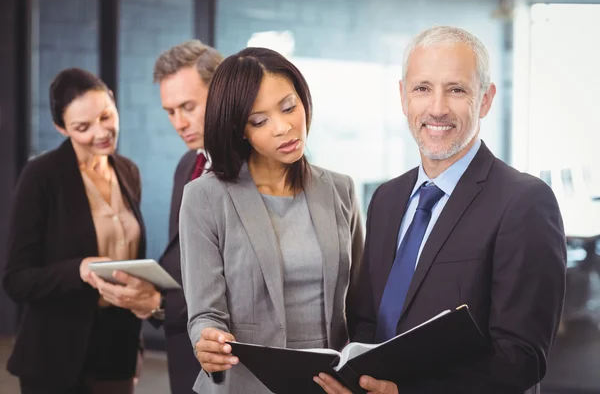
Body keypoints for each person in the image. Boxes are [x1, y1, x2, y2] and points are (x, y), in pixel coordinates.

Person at [315, 26, 567, 394]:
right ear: (403, 97)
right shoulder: (386, 198)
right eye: (422, 88)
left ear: (485, 99)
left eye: (457, 89)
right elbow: (368, 322)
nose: (436, 108)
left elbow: (522, 358)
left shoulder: (524, 201)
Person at [178, 47, 365, 393]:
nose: (284, 127)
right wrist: (206, 339)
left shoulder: (341, 189)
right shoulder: (205, 197)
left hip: (328, 386)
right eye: (259, 121)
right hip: (244, 385)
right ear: (240, 130)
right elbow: (205, 314)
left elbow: (359, 304)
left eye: (289, 107)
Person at [89, 40, 224, 394]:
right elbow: (186, 257)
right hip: (183, 351)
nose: (179, 123)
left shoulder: (254, 169)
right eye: (170, 111)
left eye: (188, 107)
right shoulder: (188, 164)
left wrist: (160, 302)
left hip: (224, 354)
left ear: (223, 92)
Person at [3, 68, 149, 394]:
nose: (101, 132)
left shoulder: (128, 171)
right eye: (82, 127)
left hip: (118, 346)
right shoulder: (40, 176)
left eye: (106, 116)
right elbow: (16, 279)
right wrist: (79, 269)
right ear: (61, 128)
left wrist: (136, 347)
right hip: (56, 352)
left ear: (113, 102)